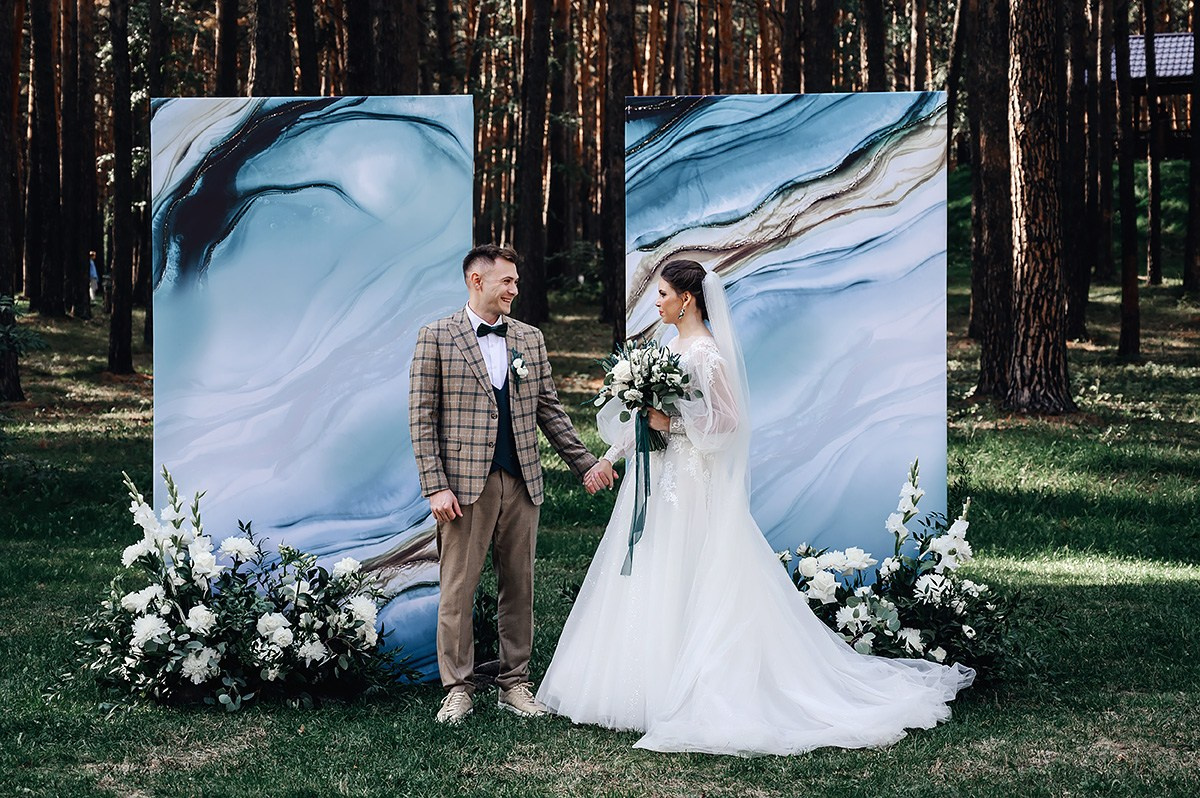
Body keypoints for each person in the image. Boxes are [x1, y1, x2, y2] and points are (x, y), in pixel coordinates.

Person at [537, 259, 975, 756]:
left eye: (662, 294)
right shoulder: (662, 348)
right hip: (659, 479)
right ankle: (639, 681)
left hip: (693, 481)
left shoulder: (707, 355)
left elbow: (729, 424)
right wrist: (610, 457)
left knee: (694, 566)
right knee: (654, 565)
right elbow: (642, 415)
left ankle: (694, 684)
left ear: (688, 300)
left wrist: (672, 426)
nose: (655, 302)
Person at [409, 243, 617, 725]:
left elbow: (549, 409)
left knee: (519, 586)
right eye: (507, 281)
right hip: (462, 488)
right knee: (457, 589)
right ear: (476, 281)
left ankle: (514, 684)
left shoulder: (530, 338)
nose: (515, 290)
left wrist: (584, 463)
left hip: (522, 481)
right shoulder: (436, 337)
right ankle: (458, 689)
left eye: (517, 282)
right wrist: (435, 485)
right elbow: (422, 418)